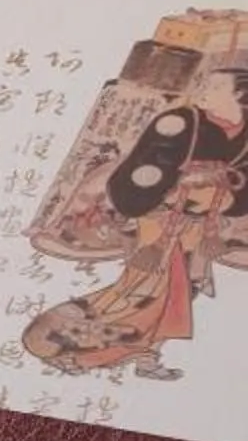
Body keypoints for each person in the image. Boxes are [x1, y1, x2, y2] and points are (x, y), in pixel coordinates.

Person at [24, 64, 248, 380]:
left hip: (202, 220)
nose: (202, 93)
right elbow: (137, 174)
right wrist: (180, 185)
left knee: (183, 291)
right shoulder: (181, 122)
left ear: (239, 95)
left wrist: (228, 199)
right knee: (144, 290)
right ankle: (64, 340)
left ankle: (143, 357)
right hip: (160, 220)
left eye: (213, 87)